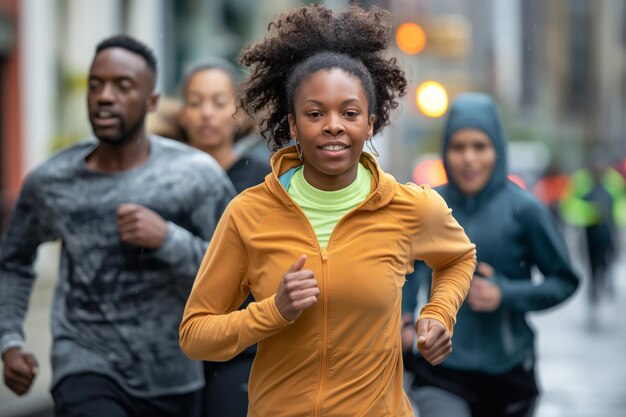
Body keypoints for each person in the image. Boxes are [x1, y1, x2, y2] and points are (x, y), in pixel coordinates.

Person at [179, 5, 476, 417]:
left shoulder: (410, 207)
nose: (333, 125)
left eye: (349, 113)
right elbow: (195, 335)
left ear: (370, 124)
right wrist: (272, 312)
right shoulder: (249, 213)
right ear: (294, 126)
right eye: (315, 113)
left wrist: (439, 313)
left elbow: (459, 256)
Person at [0, 35, 234, 417]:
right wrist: (10, 340)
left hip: (173, 375)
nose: (105, 96)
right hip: (85, 363)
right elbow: (14, 260)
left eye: (123, 86)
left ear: (151, 101)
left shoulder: (195, 175)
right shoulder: (52, 181)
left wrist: (168, 239)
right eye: (96, 85)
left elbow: (236, 269)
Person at [403, 93, 579, 417]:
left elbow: (565, 281)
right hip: (442, 370)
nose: (469, 159)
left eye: (480, 146)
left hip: (509, 371)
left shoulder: (525, 210)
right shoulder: (429, 208)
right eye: (458, 147)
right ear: (445, 151)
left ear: (497, 148)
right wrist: (403, 319)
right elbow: (405, 272)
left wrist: (505, 293)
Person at [178, 59, 270, 417]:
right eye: (196, 101)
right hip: (174, 353)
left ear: (238, 111)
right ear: (182, 110)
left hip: (241, 350)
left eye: (219, 102)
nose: (206, 113)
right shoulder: (165, 176)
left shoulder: (263, 181)